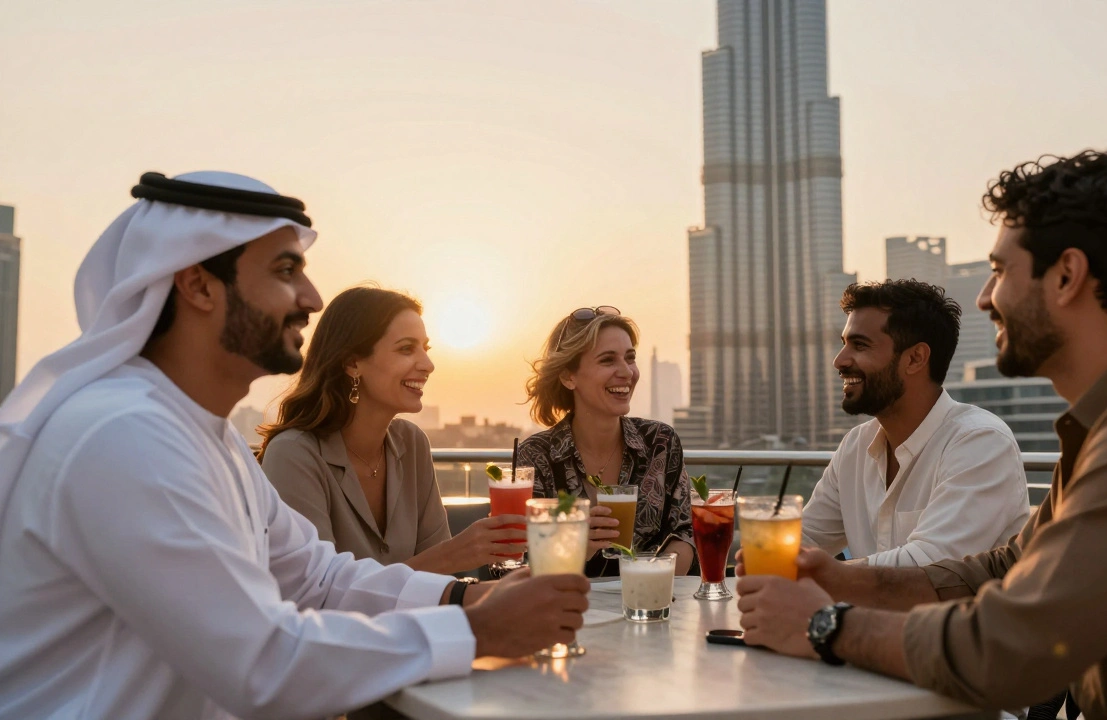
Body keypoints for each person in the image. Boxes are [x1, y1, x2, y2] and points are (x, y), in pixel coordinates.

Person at [0, 172, 590, 720]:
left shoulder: (211, 439)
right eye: (286, 271)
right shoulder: (123, 436)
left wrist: (469, 596)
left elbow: (316, 579)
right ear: (198, 285)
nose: (311, 298)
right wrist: (478, 633)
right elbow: (259, 662)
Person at [734, 149, 1107, 718]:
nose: (984, 298)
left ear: (1067, 276)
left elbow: (1014, 650)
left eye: (999, 271)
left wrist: (825, 625)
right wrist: (846, 579)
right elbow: (1010, 567)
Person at [259, 286, 525, 574]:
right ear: (352, 363)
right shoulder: (293, 455)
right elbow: (317, 589)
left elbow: (441, 580)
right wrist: (453, 555)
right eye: (406, 349)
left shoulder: (412, 443)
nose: (428, 365)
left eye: (425, 349)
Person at [803, 279, 1029, 566]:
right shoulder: (856, 446)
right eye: (844, 344)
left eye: (859, 345)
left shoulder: (981, 442)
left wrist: (827, 572)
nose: (840, 360)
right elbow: (803, 540)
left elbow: (931, 568)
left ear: (915, 359)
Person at [517, 307, 695, 576]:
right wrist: (575, 546)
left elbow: (684, 533)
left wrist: (643, 584)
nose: (627, 372)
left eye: (630, 358)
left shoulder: (660, 442)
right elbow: (516, 563)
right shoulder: (535, 456)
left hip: (651, 599)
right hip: (566, 601)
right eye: (608, 360)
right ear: (568, 376)